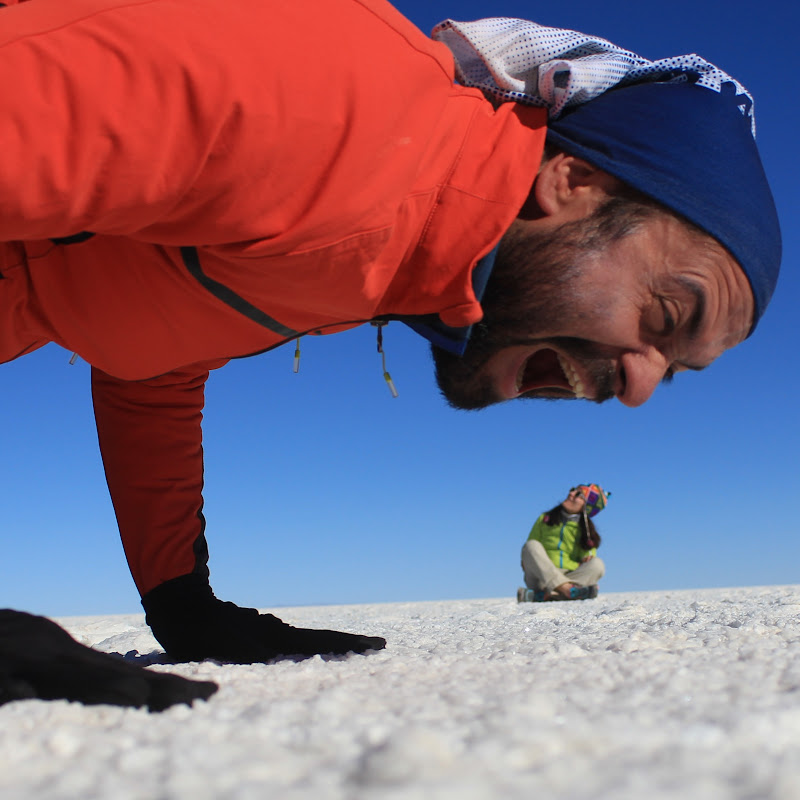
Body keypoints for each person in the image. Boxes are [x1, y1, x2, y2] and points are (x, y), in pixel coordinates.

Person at [0, 0, 782, 692]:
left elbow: (153, 362)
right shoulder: (326, 95)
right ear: (573, 183)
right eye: (667, 314)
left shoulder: (380, 263)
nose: (641, 387)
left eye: (674, 373)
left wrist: (181, 601)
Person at [518, 485, 609, 603]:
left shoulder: (586, 532)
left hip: (570, 576)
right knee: (531, 545)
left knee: (597, 564)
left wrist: (587, 558)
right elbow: (529, 550)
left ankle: (544, 596)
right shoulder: (545, 518)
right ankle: (567, 591)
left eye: (578, 495)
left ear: (586, 507)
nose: (571, 494)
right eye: (573, 490)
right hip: (541, 577)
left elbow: (588, 557)